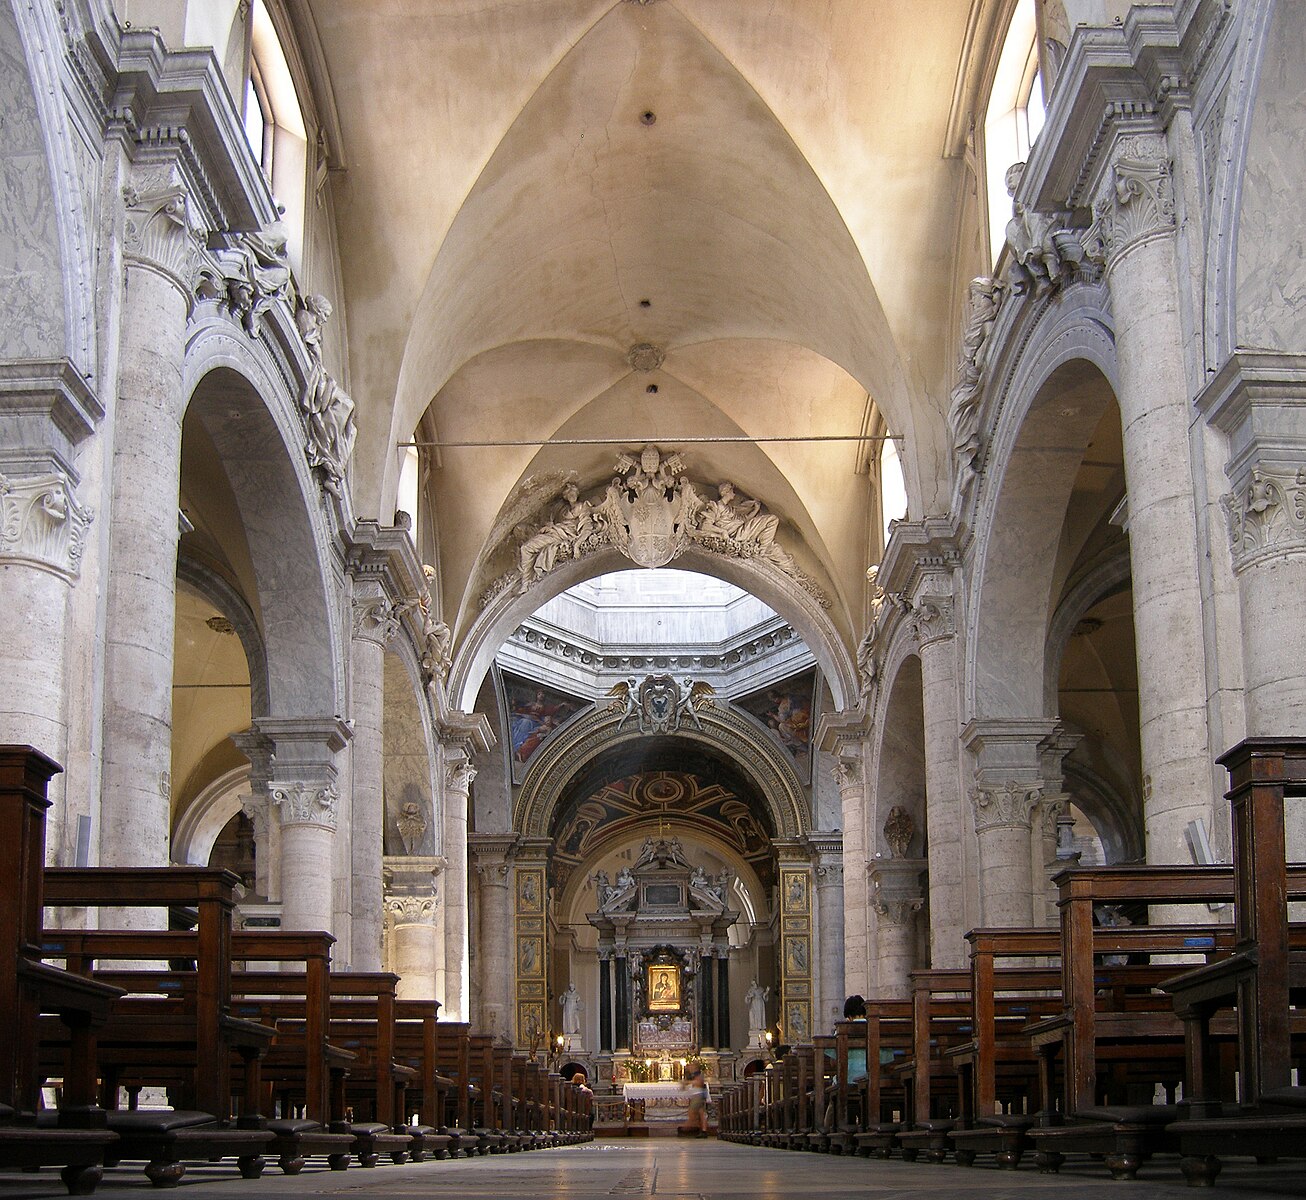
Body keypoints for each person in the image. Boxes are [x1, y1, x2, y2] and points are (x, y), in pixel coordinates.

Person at [680, 1067, 709, 1136]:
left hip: (698, 1096)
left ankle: (685, 1129)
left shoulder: (698, 1075)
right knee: (701, 1114)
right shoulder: (693, 1075)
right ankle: (703, 1131)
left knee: (693, 1113)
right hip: (697, 1096)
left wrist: (687, 1082)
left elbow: (699, 1083)